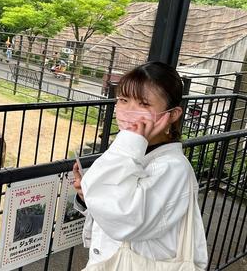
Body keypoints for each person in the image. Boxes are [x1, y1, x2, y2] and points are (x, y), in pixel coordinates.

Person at [72, 61, 208, 270]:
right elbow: (112, 210)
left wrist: (127, 143)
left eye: (143, 104)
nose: (128, 111)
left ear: (172, 115)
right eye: (123, 100)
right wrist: (87, 196)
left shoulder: (171, 168)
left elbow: (124, 220)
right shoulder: (134, 150)